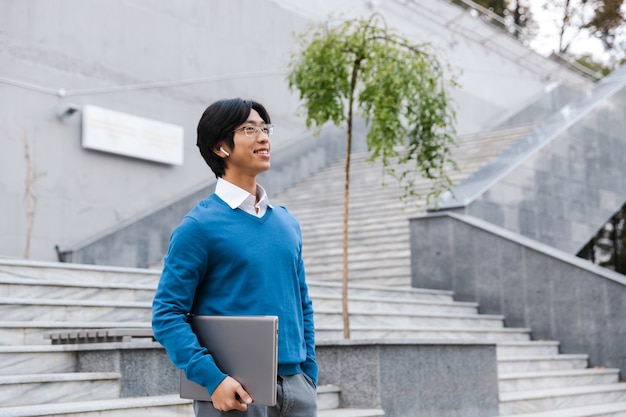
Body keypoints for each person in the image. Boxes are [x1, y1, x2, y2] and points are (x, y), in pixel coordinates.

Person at [152, 98, 318, 417]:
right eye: (249, 129)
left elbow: (302, 303)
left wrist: (309, 374)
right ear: (221, 147)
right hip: (234, 394)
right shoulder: (198, 227)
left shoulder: (287, 223)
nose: (264, 137)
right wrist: (213, 380)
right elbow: (166, 314)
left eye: (265, 128)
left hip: (297, 391)